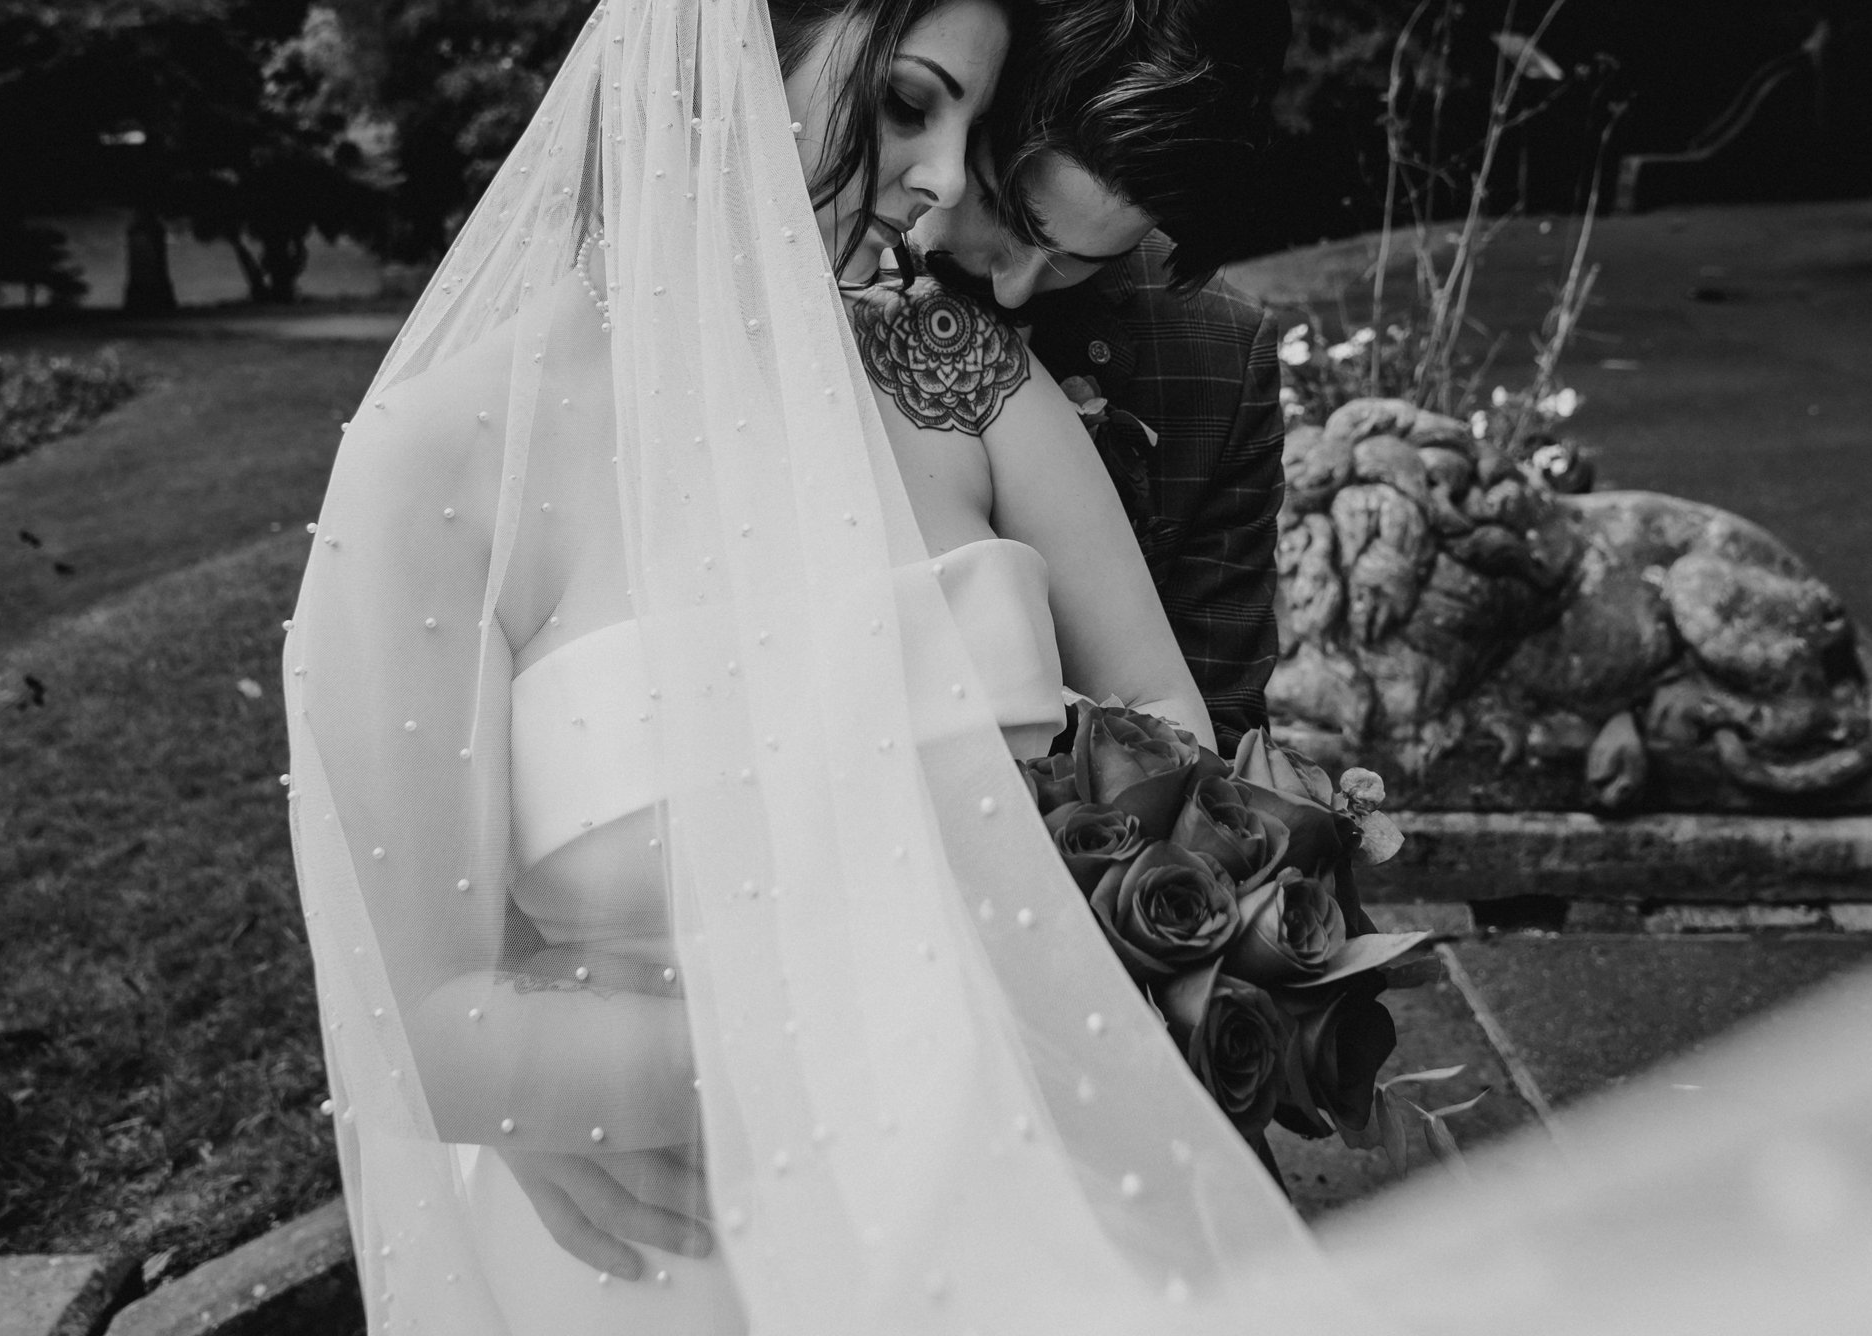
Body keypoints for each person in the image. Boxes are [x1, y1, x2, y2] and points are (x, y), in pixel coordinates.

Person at [283, 0, 1392, 1331]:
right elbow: (437, 1029)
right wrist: (607, 1092)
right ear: (718, 57)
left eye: (972, 125)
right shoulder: (431, 467)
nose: (937, 187)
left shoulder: (958, 379)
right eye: (913, 106)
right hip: (682, 1250)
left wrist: (1133, 962)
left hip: (1028, 1202)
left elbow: (1176, 751)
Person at [911, 0, 1293, 755]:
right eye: (1006, 210)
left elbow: (1223, 721)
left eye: (1081, 261)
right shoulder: (804, 263)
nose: (1014, 289)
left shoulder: (1218, 356)